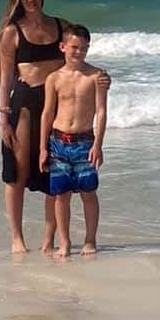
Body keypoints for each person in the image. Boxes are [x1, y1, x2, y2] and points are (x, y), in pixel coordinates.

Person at [0, 0, 109, 254]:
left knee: (51, 177)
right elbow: (5, 77)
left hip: (54, 103)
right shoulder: (12, 32)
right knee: (17, 174)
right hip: (24, 104)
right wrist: (4, 117)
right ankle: (17, 238)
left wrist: (102, 77)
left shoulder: (59, 26)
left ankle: (48, 240)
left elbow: (76, 58)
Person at [39, 24, 107, 258]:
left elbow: (101, 111)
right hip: (58, 141)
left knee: (89, 192)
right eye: (74, 47)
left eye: (84, 48)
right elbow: (47, 113)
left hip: (85, 141)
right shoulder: (54, 78)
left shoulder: (96, 76)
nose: (79, 52)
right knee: (61, 195)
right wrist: (42, 148)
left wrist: (98, 144)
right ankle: (65, 242)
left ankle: (90, 239)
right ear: (63, 47)